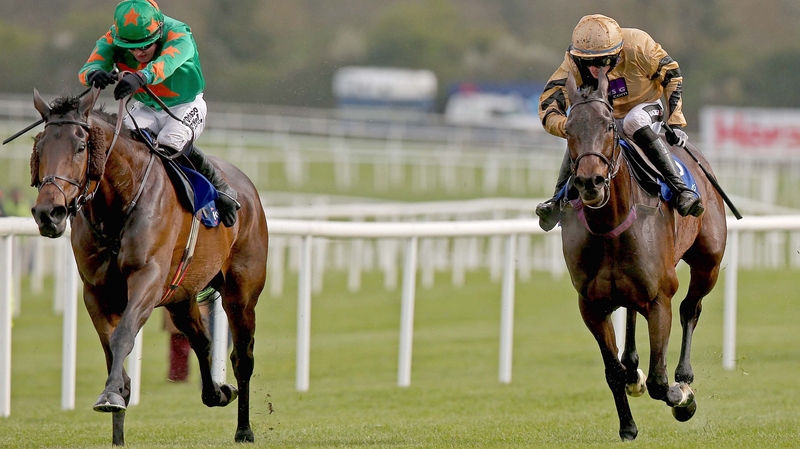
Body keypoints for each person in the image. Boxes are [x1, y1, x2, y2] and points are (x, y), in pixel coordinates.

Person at [78, 0, 240, 227]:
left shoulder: (179, 34)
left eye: (145, 47)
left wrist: (141, 77)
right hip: (147, 107)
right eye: (131, 48)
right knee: (120, 147)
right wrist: (95, 74)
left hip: (185, 105)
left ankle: (221, 187)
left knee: (168, 144)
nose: (138, 53)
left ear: (159, 32)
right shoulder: (113, 38)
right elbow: (88, 68)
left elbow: (167, 63)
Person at [536, 14, 703, 231]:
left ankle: (682, 191)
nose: (595, 69)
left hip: (645, 106)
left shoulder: (640, 47)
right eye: (588, 63)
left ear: (617, 53)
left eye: (603, 62)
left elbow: (672, 75)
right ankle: (556, 200)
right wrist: (570, 127)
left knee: (633, 121)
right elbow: (548, 107)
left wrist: (676, 123)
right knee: (586, 131)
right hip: (605, 117)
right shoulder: (573, 62)